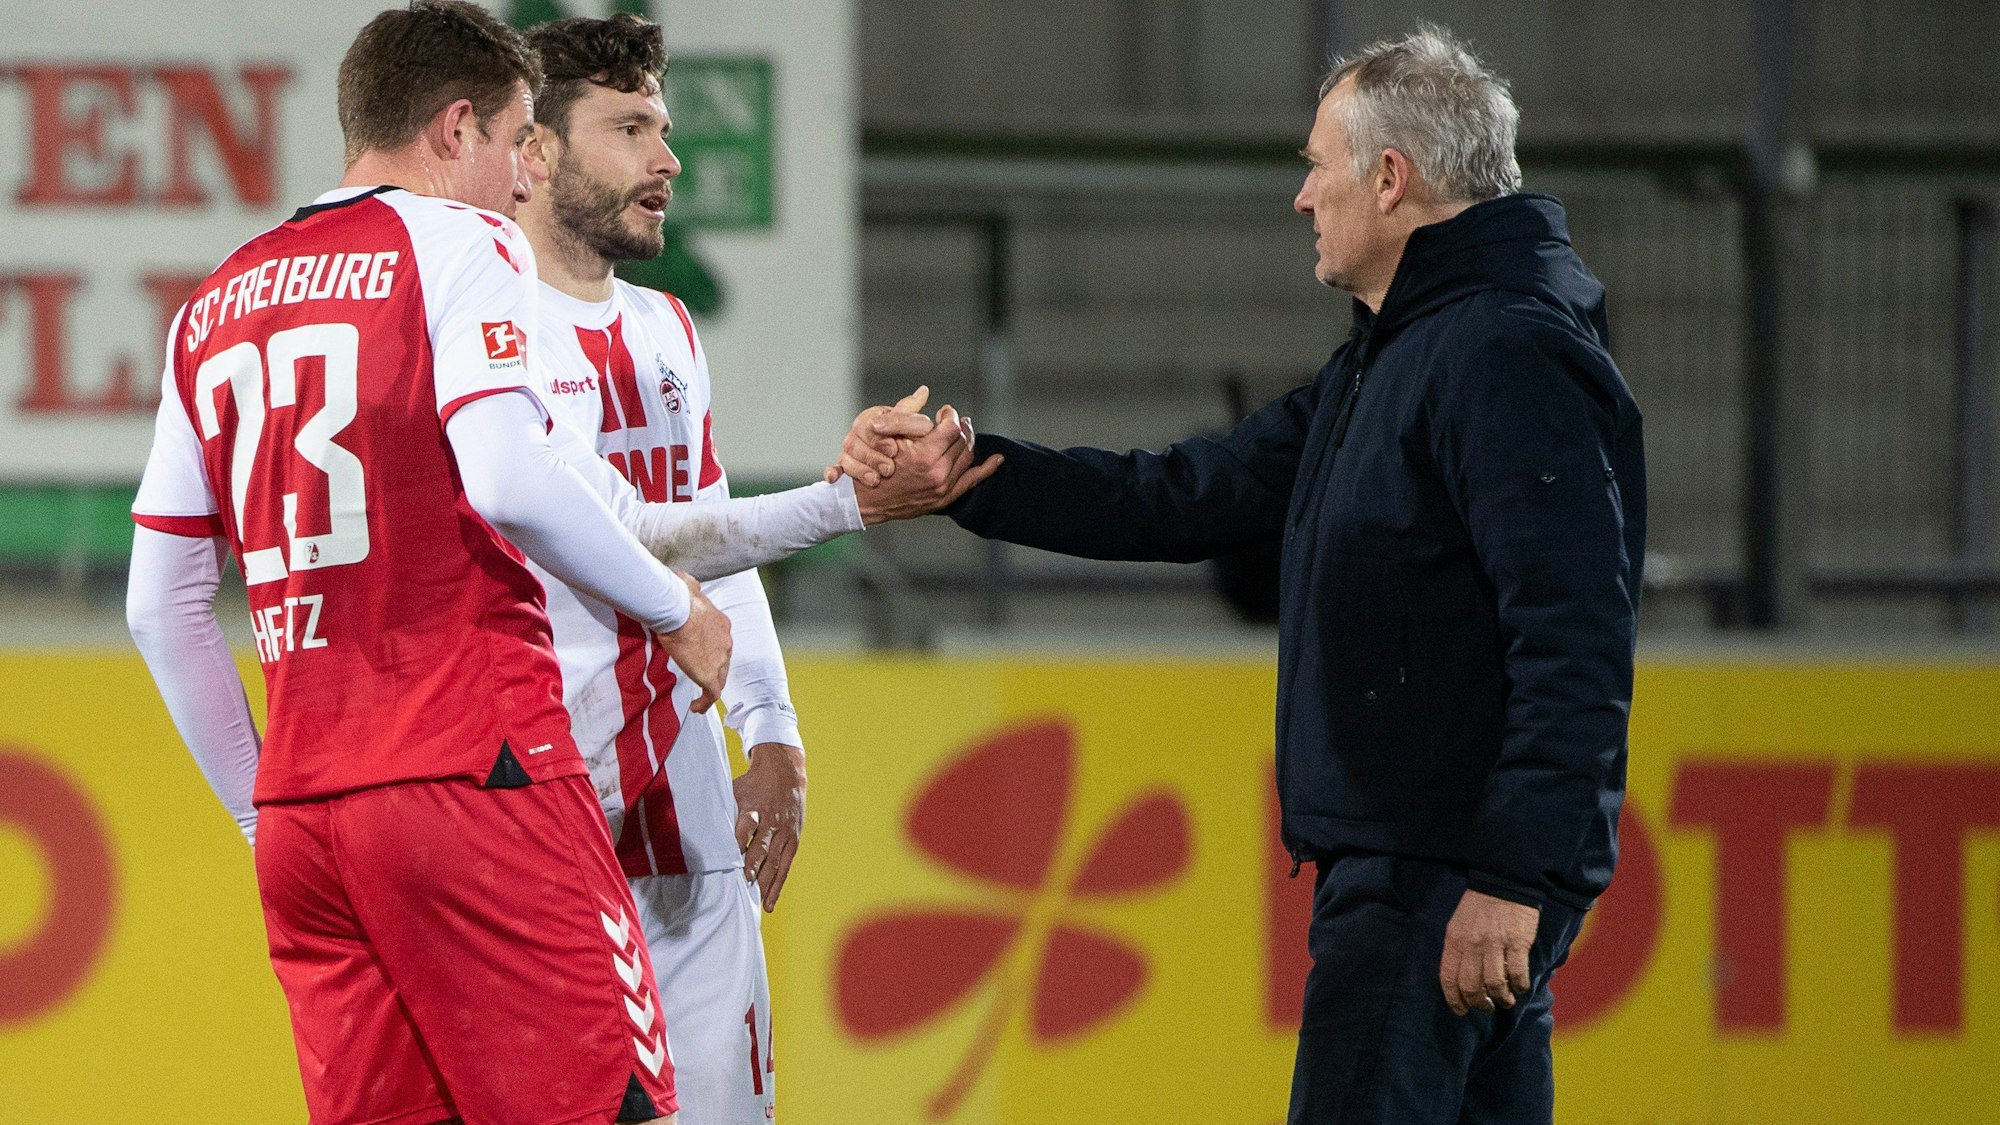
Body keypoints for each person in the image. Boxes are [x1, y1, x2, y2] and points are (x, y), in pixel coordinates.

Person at [834, 26, 1645, 1124]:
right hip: (1430, 879)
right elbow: (1187, 493)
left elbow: (1573, 639)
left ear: (1390, 178)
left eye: (1317, 166)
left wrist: (1515, 878)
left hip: (1437, 884)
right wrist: (972, 475)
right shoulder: (1400, 353)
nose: (1302, 198)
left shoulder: (1499, 351)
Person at [124, 4, 731, 1122]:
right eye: (516, 143)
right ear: (456, 129)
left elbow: (160, 606)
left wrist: (266, 814)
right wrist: (672, 606)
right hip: (474, 773)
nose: (523, 181)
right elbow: (503, 474)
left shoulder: (215, 301)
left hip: (309, 817)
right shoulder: (463, 243)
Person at [508, 14, 997, 1123]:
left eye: (666, 128)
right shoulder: (483, 334)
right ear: (531, 153)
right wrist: (842, 504)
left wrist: (770, 730)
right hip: (543, 824)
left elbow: (711, 539)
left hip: (686, 829)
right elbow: (631, 531)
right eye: (629, 127)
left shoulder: (668, 327)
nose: (667, 159)